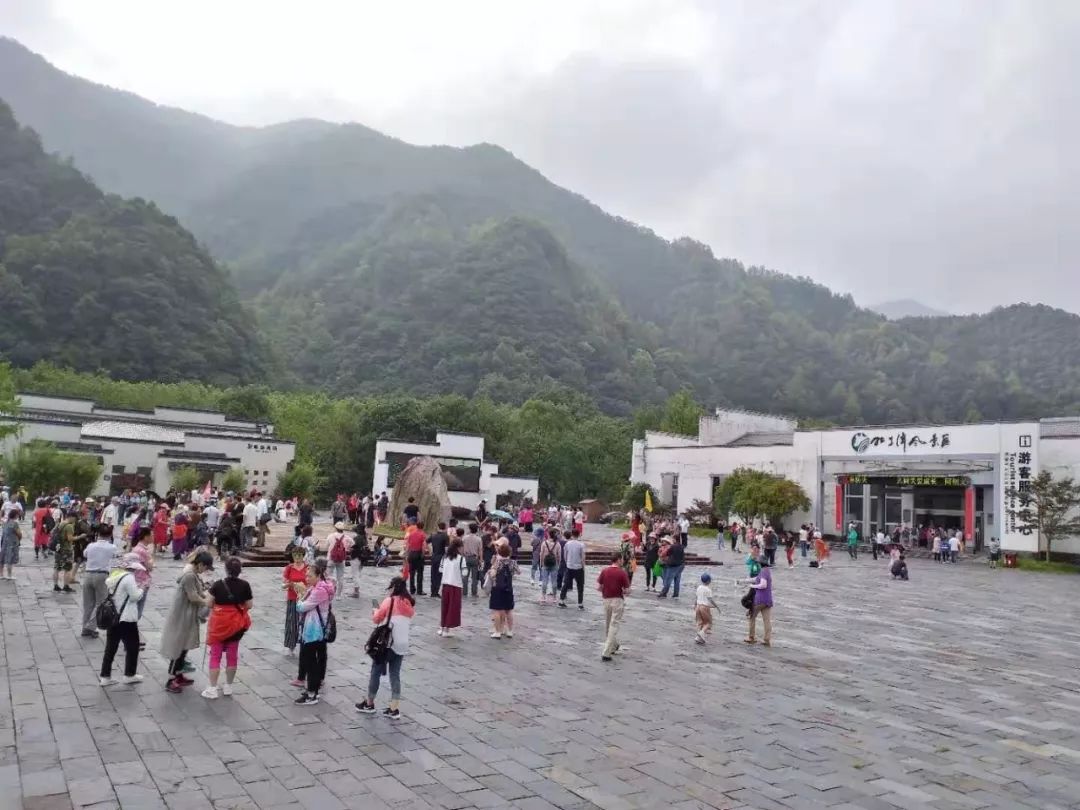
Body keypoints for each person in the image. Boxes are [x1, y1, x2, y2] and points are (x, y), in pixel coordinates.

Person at [356, 576, 415, 718]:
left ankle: (369, 703)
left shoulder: (390, 601)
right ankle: (394, 708)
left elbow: (377, 619)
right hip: (402, 645)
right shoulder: (408, 603)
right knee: (395, 675)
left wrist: (375, 611)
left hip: (387, 644)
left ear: (394, 587)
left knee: (375, 671)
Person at [160, 550, 214, 692]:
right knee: (178, 647)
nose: (206, 571)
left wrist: (207, 596)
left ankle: (179, 675)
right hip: (182, 615)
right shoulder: (189, 576)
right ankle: (171, 679)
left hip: (188, 614)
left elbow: (199, 592)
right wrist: (206, 602)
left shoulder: (194, 574)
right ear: (200, 564)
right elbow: (193, 596)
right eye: (206, 567)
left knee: (184, 647)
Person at [202, 557, 253, 699]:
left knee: (215, 656)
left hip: (219, 625)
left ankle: (212, 688)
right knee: (232, 655)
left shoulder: (218, 585)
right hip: (236, 625)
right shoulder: (245, 585)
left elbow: (209, 603)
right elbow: (249, 605)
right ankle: (228, 686)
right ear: (239, 570)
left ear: (226, 569)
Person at [98, 553, 146, 686]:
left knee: (110, 647)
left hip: (113, 617)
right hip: (126, 618)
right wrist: (142, 589)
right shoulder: (129, 578)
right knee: (133, 646)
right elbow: (135, 597)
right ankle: (129, 674)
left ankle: (105, 676)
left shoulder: (115, 575)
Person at [294, 557, 336, 705]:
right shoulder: (321, 587)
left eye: (310, 576)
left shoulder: (319, 590)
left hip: (314, 630)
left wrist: (299, 597)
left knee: (310, 661)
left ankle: (312, 693)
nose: (307, 578)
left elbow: (301, 607)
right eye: (306, 575)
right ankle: (312, 689)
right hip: (316, 628)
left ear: (318, 576)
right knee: (313, 660)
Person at [81, 524, 120, 638]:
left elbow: (85, 555)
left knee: (88, 604)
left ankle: (85, 627)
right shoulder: (111, 547)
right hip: (102, 575)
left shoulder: (91, 545)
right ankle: (90, 627)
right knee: (101, 604)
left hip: (88, 574)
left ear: (98, 534)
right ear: (109, 535)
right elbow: (116, 557)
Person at [597, 551, 630, 661]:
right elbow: (627, 590)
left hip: (606, 599)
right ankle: (606, 651)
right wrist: (626, 591)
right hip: (617, 600)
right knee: (614, 625)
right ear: (619, 560)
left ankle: (614, 645)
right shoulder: (622, 573)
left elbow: (598, 587)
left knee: (608, 624)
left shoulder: (604, 571)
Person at [486, 542, 519, 638]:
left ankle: (497, 632)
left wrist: (490, 571)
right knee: (509, 610)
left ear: (499, 552)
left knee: (497, 610)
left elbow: (492, 574)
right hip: (508, 588)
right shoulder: (513, 562)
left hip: (497, 588)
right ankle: (509, 630)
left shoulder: (498, 562)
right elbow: (519, 572)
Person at [281, 545, 308, 657]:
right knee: (292, 623)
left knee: (305, 623)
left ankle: (306, 645)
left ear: (303, 556)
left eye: (299, 555)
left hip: (305, 598)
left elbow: (311, 581)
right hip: (292, 598)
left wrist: (303, 587)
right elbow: (283, 584)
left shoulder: (308, 568)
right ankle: (291, 646)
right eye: (295, 555)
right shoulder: (289, 568)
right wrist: (289, 584)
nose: (297, 558)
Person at [740, 557, 773, 646]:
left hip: (760, 600)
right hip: (768, 600)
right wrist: (744, 581)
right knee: (767, 620)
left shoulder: (763, 572)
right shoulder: (767, 571)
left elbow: (763, 585)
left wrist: (753, 586)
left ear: (760, 564)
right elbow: (756, 579)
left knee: (752, 617)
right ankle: (767, 639)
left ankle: (751, 637)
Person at [438, 537, 465, 637]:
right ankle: (447, 630)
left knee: (444, 606)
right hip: (456, 585)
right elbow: (465, 572)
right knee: (452, 608)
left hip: (445, 584)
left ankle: (442, 627)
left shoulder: (444, 557)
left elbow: (440, 570)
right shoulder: (461, 559)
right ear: (459, 547)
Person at [321, 522, 354, 595]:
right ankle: (338, 594)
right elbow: (353, 544)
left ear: (335, 528)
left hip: (331, 558)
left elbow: (326, 546)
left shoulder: (330, 536)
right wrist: (347, 548)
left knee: (328, 576)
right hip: (341, 560)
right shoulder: (347, 538)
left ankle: (329, 591)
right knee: (341, 577)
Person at [53, 510, 81, 593]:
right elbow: (70, 538)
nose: (75, 521)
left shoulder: (61, 523)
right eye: (75, 519)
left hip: (58, 548)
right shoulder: (69, 526)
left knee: (57, 568)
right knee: (67, 569)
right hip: (66, 549)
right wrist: (79, 537)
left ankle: (56, 585)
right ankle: (66, 586)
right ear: (72, 517)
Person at [559, 529, 586, 610]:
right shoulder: (581, 545)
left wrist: (568, 562)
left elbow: (565, 555)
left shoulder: (567, 544)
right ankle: (580, 604)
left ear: (571, 535)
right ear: (579, 534)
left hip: (569, 566)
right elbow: (583, 557)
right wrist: (583, 567)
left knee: (566, 584)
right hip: (578, 567)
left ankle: (561, 601)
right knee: (580, 586)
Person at [695, 572, 721, 644]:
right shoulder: (708, 590)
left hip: (698, 606)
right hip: (704, 607)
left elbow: (696, 597)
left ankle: (699, 637)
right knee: (708, 623)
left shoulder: (699, 587)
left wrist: (695, 605)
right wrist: (716, 606)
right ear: (709, 581)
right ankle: (701, 633)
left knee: (700, 622)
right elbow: (710, 600)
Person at [537, 529, 561, 605]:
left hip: (545, 563)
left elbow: (541, 554)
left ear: (549, 534)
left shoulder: (544, 543)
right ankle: (554, 597)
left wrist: (541, 563)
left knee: (544, 581)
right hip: (554, 564)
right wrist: (558, 563)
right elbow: (559, 555)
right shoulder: (557, 544)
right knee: (554, 581)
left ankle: (543, 596)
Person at [404, 521, 427, 595]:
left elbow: (408, 545)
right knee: (420, 573)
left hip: (411, 553)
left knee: (412, 573)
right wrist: (423, 554)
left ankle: (412, 589)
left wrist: (407, 554)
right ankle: (419, 590)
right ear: (423, 526)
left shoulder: (411, 534)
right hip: (418, 553)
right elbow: (423, 545)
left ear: (416, 526)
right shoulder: (422, 534)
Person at [428, 521, 449, 598]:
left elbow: (425, 542)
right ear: (445, 527)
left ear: (438, 527)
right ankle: (436, 591)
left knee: (433, 574)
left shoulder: (433, 535)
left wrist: (430, 551)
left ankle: (432, 591)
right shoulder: (445, 536)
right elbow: (446, 549)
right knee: (439, 574)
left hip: (434, 556)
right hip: (441, 557)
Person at [461, 523, 482, 597]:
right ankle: (474, 592)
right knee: (474, 577)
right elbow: (480, 551)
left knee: (465, 576)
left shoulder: (464, 538)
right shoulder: (478, 539)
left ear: (470, 529)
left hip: (466, 558)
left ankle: (464, 592)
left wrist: (462, 557)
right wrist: (481, 560)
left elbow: (461, 549)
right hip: (475, 558)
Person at [1, 507, 21, 580]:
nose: (18, 516)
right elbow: (19, 533)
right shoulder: (15, 523)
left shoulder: (6, 522)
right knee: (10, 559)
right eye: (17, 515)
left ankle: (1, 574)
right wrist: (19, 538)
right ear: (15, 515)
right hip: (12, 543)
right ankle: (9, 575)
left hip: (4, 543)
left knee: (3, 558)